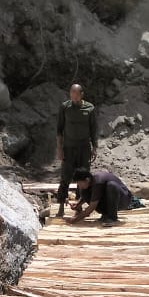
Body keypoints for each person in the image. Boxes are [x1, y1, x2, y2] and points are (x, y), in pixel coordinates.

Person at [56, 84, 98, 218]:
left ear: (81, 95)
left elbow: (93, 129)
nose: (73, 96)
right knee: (65, 176)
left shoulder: (90, 108)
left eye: (76, 94)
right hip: (68, 148)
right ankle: (61, 206)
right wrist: (59, 149)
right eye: (71, 93)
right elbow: (59, 130)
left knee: (83, 178)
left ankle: (79, 206)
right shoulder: (65, 107)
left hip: (84, 148)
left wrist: (95, 147)